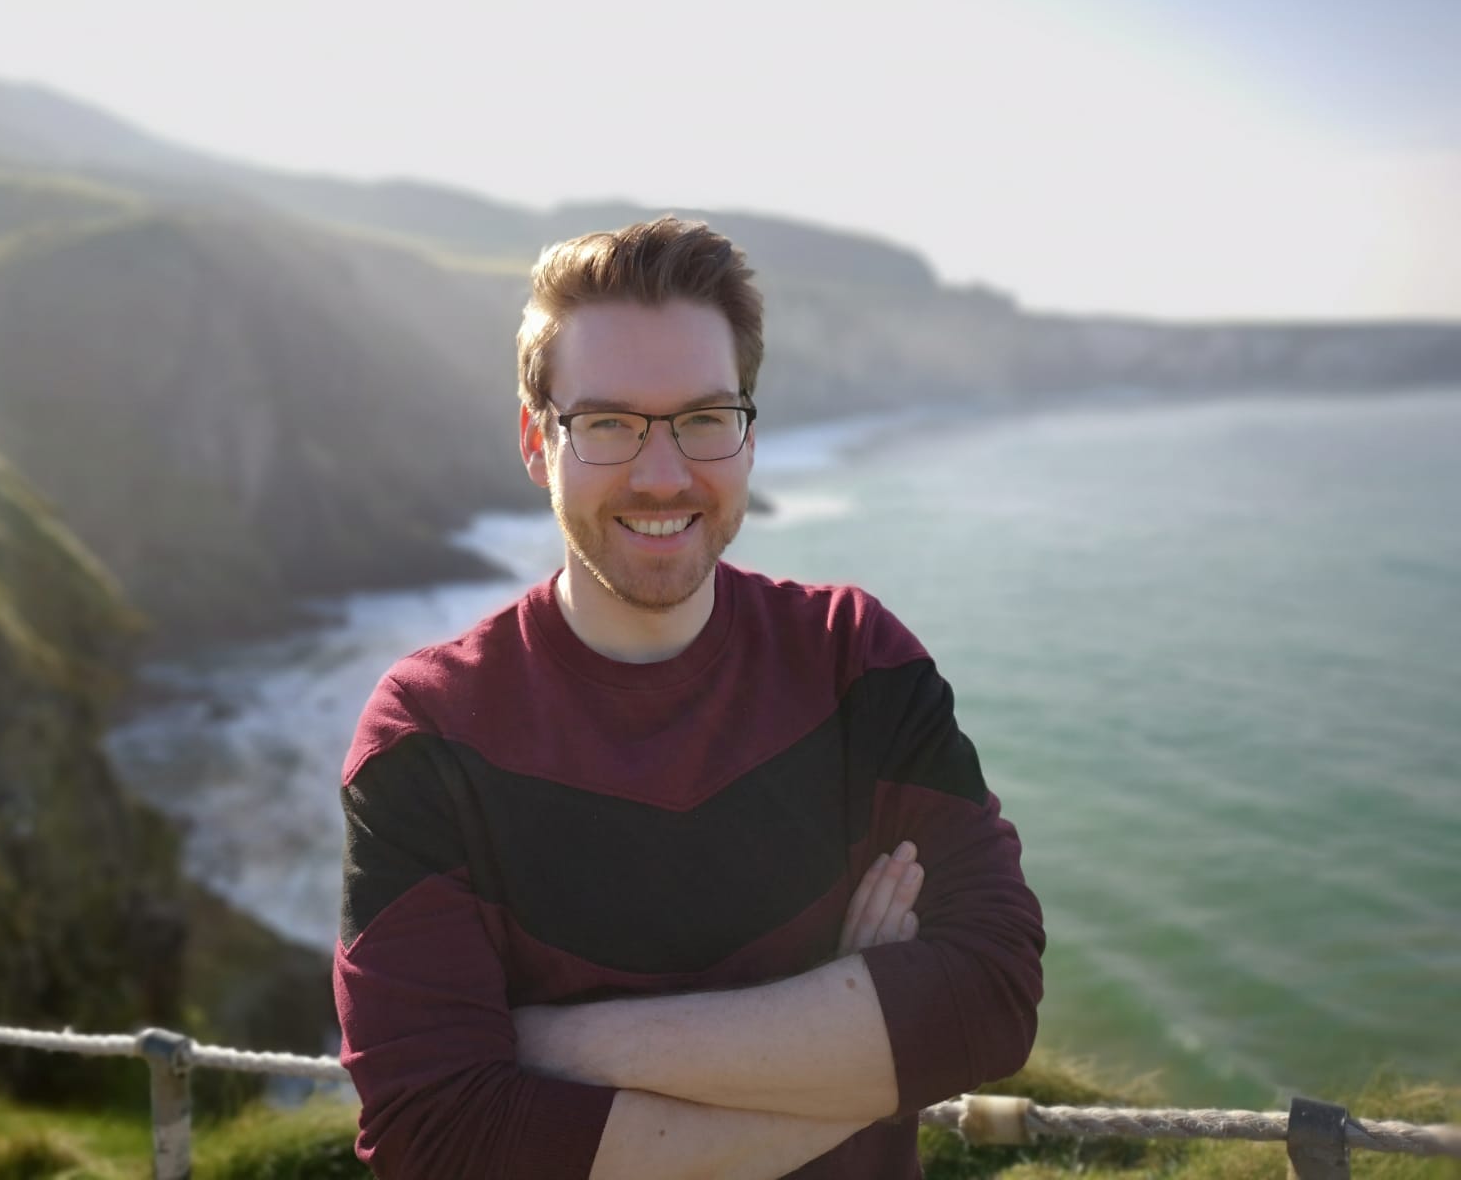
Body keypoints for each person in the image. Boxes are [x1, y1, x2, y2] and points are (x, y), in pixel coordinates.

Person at [334, 216, 1045, 1179]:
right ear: (539, 445)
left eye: (705, 419)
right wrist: (856, 1037)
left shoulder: (858, 662)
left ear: (749, 436)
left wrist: (550, 1048)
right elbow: (439, 1137)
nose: (663, 475)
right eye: (609, 423)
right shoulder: (428, 731)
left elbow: (989, 998)